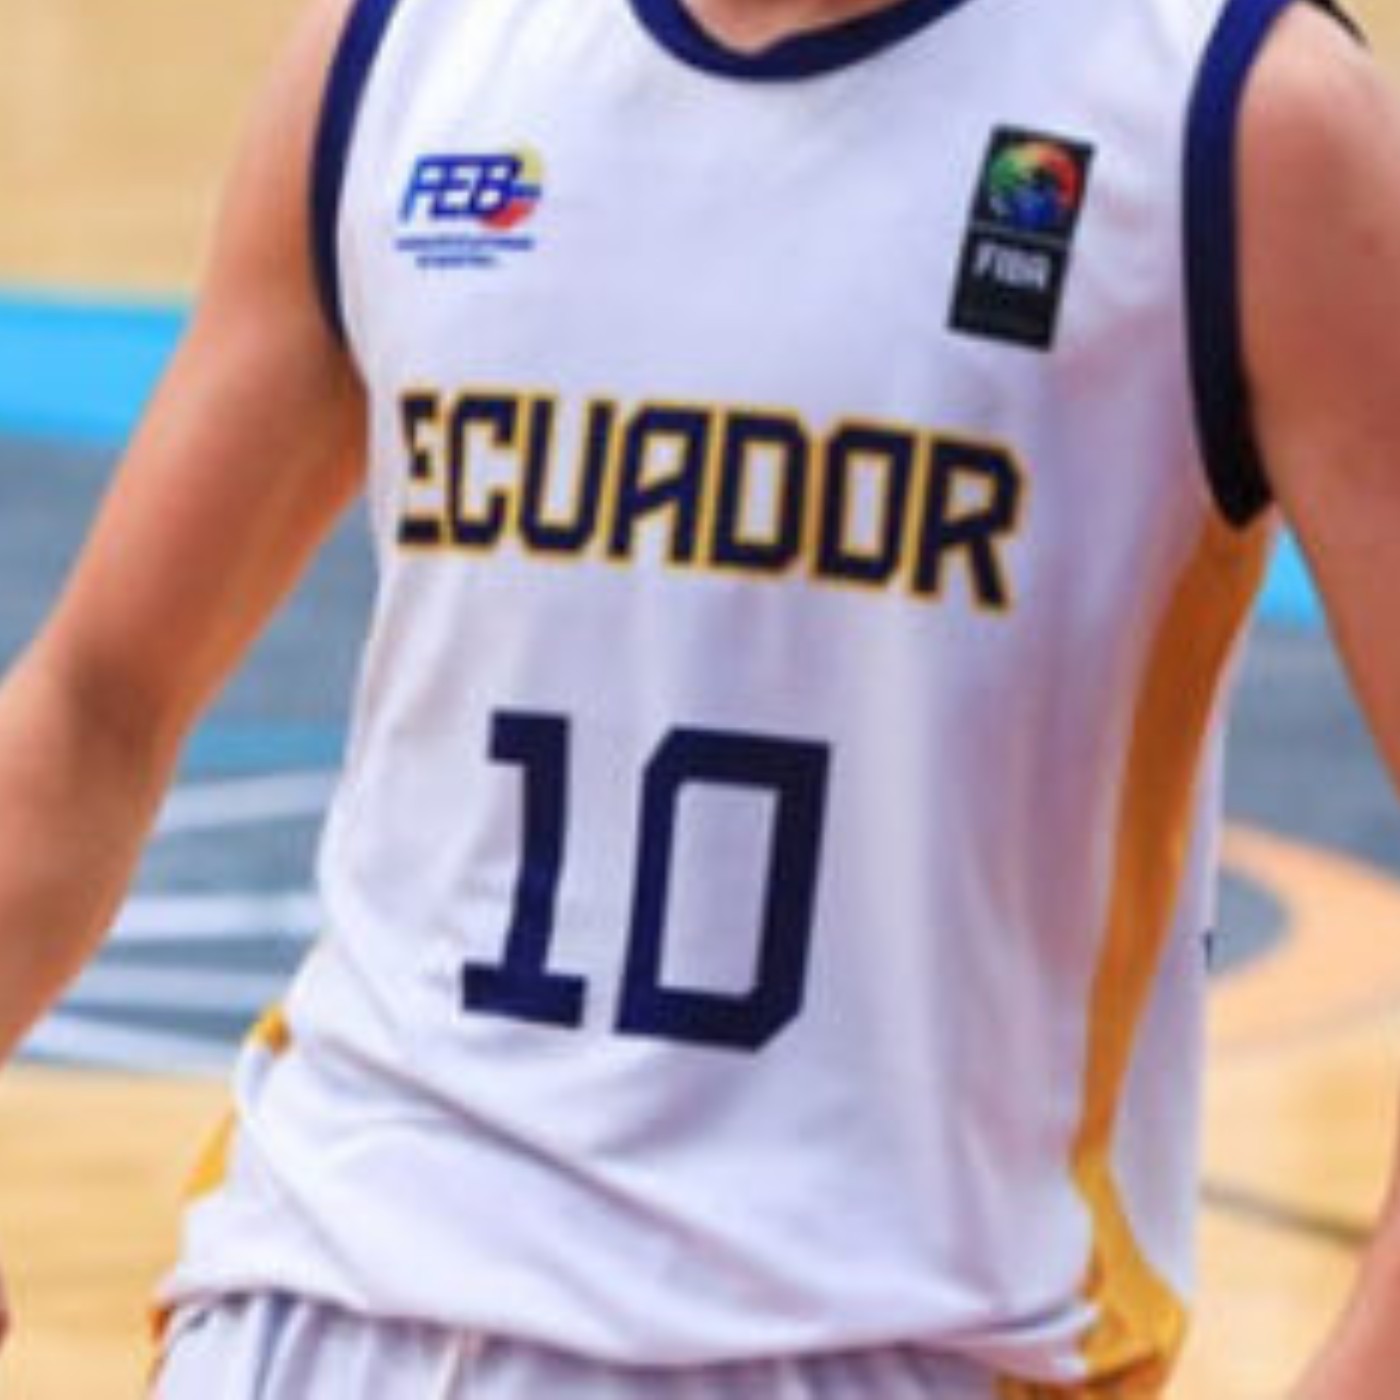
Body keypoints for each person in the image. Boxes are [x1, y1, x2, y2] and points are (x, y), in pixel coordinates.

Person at [1, 0, 1399, 1391]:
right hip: (318, 1302)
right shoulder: (398, 57)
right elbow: (97, 702)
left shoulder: (1238, 117)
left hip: (881, 1340)